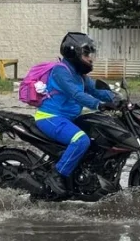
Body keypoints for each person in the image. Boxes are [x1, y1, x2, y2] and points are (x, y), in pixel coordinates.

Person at [35, 32, 118, 196]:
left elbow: (96, 89)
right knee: (81, 140)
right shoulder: (61, 71)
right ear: (73, 53)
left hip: (68, 119)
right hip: (50, 118)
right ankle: (57, 174)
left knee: (98, 138)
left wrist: (118, 99)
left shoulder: (79, 76)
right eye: (86, 54)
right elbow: (76, 94)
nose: (90, 58)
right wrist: (99, 105)